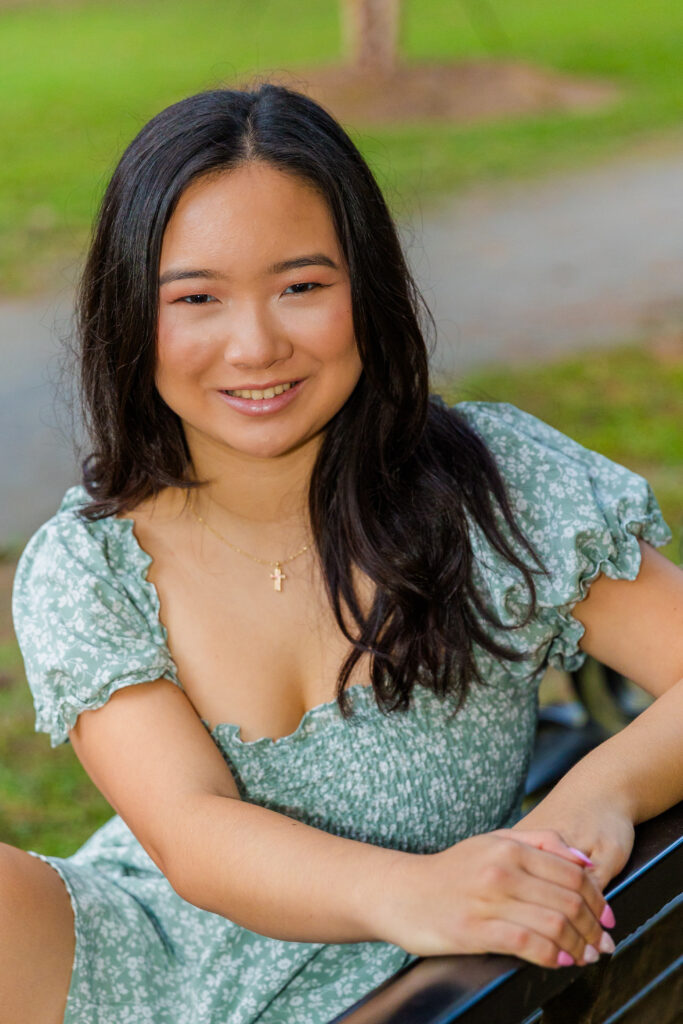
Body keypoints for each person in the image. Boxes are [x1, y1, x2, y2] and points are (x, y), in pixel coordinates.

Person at [6, 81, 683, 1024]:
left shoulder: (492, 492)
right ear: (129, 317)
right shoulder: (90, 565)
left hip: (406, 978)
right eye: (196, 297)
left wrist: (592, 800)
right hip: (144, 964)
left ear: (366, 289)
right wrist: (418, 894)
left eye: (301, 287)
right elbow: (195, 838)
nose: (253, 345)